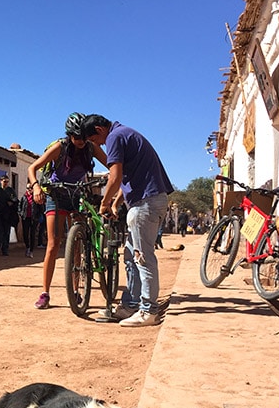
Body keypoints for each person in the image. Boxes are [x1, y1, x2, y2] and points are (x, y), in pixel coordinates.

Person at [79, 113, 174, 326]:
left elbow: (115, 176)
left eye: (95, 141)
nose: (99, 144)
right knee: (131, 256)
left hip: (145, 203)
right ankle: (130, 304)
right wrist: (116, 203)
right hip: (147, 200)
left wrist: (104, 203)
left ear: (99, 130)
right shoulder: (125, 133)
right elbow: (128, 178)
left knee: (143, 257)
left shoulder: (114, 137)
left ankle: (148, 310)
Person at [27, 112, 108, 310]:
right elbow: (33, 168)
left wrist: (111, 176)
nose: (81, 141)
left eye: (84, 137)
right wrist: (36, 187)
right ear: (69, 135)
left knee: (78, 245)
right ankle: (45, 293)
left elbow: (111, 164)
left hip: (78, 194)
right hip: (56, 195)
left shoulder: (91, 148)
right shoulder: (60, 148)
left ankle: (75, 290)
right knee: (53, 245)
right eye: (77, 137)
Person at [0, 175, 18, 255]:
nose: (6, 183)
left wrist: (12, 202)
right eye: (4, 181)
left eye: (7, 182)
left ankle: (5, 249)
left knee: (6, 231)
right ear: (1, 181)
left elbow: (15, 199)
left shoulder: (10, 190)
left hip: (7, 213)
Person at [18, 182, 41, 258]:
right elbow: (19, 206)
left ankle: (31, 250)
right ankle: (27, 246)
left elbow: (41, 207)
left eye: (31, 188)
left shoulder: (36, 197)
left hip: (34, 218)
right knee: (25, 233)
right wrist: (21, 213)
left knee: (32, 234)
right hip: (25, 217)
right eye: (28, 188)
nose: (29, 190)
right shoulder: (24, 197)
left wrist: (38, 216)